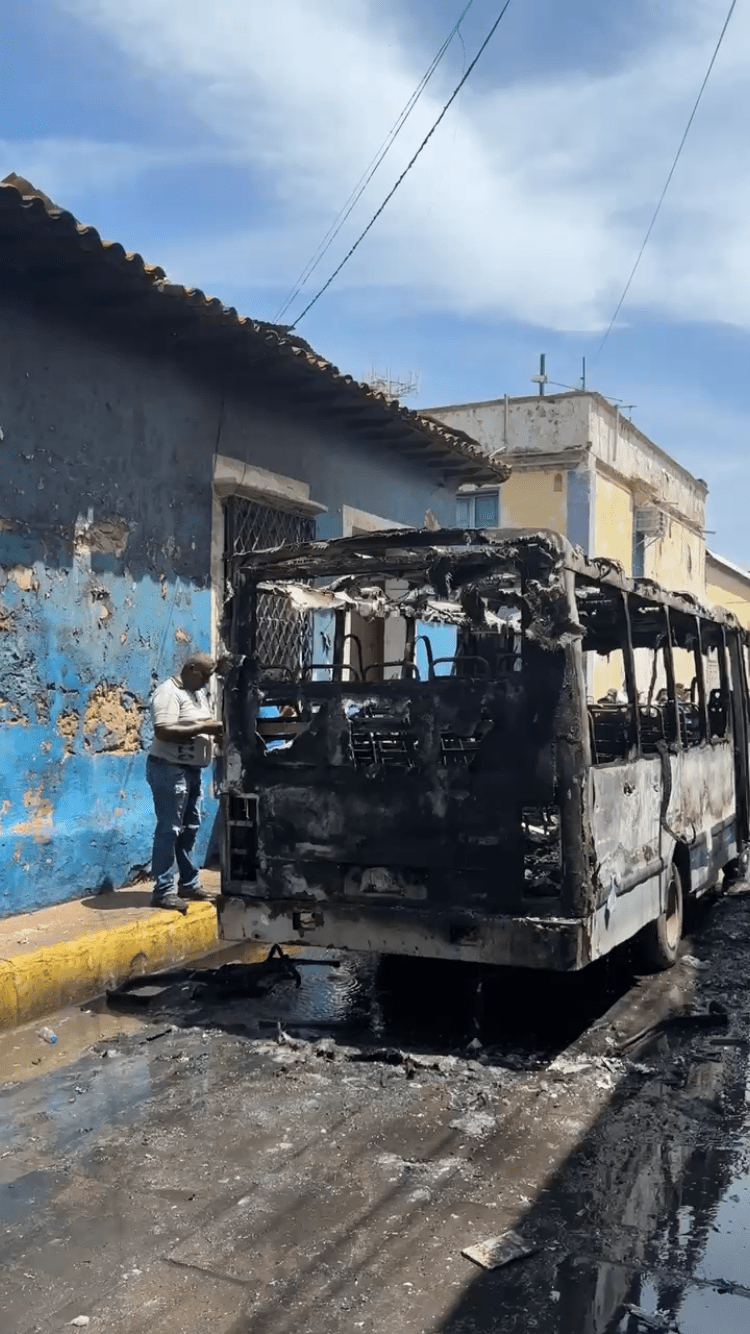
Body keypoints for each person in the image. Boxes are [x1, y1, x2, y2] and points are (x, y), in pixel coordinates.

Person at [146, 652, 223, 912]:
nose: (207, 681)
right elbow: (163, 730)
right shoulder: (168, 693)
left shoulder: (197, 693)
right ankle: (163, 890)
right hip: (169, 769)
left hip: (191, 770)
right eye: (205, 675)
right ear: (190, 669)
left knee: (190, 827)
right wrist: (202, 729)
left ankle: (189, 882)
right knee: (170, 829)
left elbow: (200, 722)